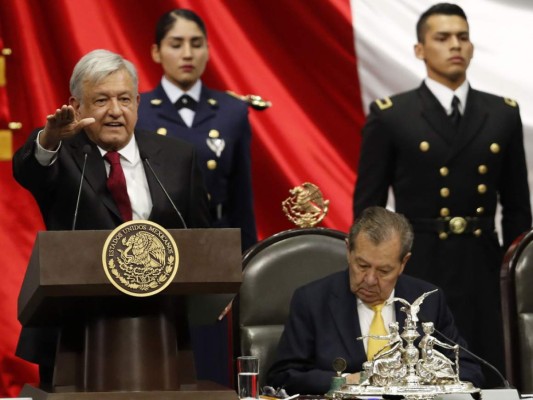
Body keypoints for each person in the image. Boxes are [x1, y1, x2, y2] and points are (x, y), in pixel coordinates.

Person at [352, 3, 531, 386]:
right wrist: (377, 271)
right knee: (419, 371)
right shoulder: (392, 115)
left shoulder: (501, 113)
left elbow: (517, 208)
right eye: (443, 37)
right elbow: (369, 206)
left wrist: (514, 274)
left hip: (484, 262)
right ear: (420, 49)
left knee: (487, 370)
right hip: (420, 265)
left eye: (463, 37)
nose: (456, 46)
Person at [12, 49, 210, 387]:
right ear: (77, 106)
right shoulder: (60, 153)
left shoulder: (178, 156)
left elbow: (202, 237)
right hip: (73, 332)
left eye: (125, 99)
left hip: (161, 326)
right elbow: (29, 169)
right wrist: (49, 139)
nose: (115, 111)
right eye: (101, 100)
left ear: (137, 103)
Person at [267, 207, 483, 395]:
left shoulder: (428, 299)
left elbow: (468, 369)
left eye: (384, 270)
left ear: (403, 263)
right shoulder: (312, 300)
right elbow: (283, 377)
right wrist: (345, 381)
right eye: (362, 266)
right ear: (348, 251)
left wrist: (415, 382)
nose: (370, 280)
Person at [137, 8, 257, 253]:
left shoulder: (232, 111)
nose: (188, 54)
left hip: (218, 239)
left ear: (208, 50)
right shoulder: (137, 111)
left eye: (196, 44)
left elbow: (241, 196)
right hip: (154, 242)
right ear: (156, 52)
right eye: (176, 44)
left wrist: (248, 257)